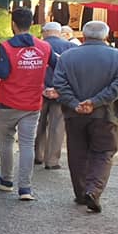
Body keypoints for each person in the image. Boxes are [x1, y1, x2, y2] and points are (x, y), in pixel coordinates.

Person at [0, 8, 56, 201]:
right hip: (32, 104)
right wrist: (55, 87)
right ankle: (26, 189)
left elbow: (2, 72)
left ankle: (6, 180)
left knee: (6, 142)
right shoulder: (44, 47)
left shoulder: (6, 46)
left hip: (8, 103)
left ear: (13, 24)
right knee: (27, 144)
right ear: (31, 24)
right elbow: (59, 65)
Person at [52, 21, 118, 213]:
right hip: (105, 114)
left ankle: (82, 192)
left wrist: (75, 103)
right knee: (103, 152)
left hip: (74, 114)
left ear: (83, 35)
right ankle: (93, 189)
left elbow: (59, 83)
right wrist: (96, 101)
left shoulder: (67, 56)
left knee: (77, 153)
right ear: (106, 36)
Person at [34, 22, 75, 170]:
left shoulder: (37, 46)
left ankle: (38, 155)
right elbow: (73, 72)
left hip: (38, 91)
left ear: (44, 32)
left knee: (39, 123)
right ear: (59, 32)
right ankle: (51, 161)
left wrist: (44, 88)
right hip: (61, 92)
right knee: (57, 126)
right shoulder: (71, 48)